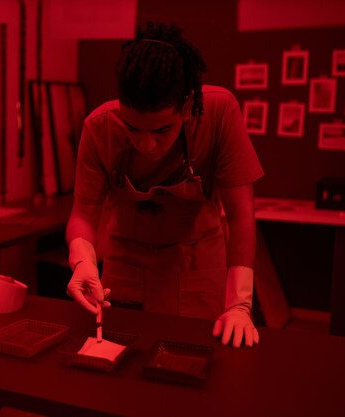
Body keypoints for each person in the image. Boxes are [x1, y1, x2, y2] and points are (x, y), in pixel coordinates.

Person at [65, 22, 263, 348]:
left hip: (196, 262)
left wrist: (239, 304)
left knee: (194, 365)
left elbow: (242, 214)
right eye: (133, 128)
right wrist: (83, 259)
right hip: (125, 264)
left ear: (186, 107)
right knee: (122, 366)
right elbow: (83, 216)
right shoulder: (99, 128)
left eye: (160, 131)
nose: (146, 144)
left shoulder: (218, 112)